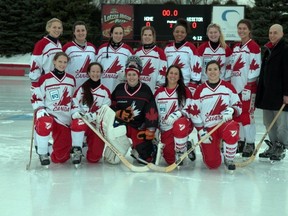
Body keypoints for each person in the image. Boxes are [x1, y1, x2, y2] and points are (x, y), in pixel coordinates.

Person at [184, 60, 242, 170]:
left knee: (232, 129)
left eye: (215, 69)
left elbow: (238, 105)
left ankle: (229, 158)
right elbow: (194, 112)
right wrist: (201, 131)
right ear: (205, 72)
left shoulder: (228, 87)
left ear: (220, 71)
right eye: (209, 69)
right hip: (208, 129)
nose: (212, 72)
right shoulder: (200, 90)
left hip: (223, 124)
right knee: (213, 164)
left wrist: (232, 110)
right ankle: (214, 148)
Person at [104, 55, 158, 164]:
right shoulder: (119, 89)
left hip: (138, 127)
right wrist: (119, 113)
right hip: (121, 126)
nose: (131, 77)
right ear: (125, 75)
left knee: (147, 158)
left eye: (134, 74)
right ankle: (117, 148)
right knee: (113, 159)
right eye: (129, 74)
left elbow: (151, 111)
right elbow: (111, 105)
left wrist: (150, 130)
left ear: (139, 75)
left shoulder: (145, 90)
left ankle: (146, 147)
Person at [31, 52, 76, 166]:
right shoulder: (45, 79)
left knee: (61, 158)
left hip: (64, 119)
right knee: (44, 122)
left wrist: (76, 111)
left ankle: (49, 147)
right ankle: (42, 151)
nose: (62, 64)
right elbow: (37, 96)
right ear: (54, 62)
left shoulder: (71, 80)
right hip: (49, 115)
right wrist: (40, 109)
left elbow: (75, 99)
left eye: (65, 62)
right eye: (60, 61)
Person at [255, 24, 288, 161]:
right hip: (267, 94)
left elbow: (287, 73)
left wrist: (287, 93)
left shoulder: (285, 49)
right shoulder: (268, 49)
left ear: (281, 34)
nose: (272, 35)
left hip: (280, 95)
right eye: (270, 32)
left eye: (275, 33)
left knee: (282, 124)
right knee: (268, 122)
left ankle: (281, 146)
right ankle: (273, 145)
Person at [230, 19, 261, 157]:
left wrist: (249, 85)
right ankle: (241, 141)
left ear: (249, 30)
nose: (241, 31)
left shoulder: (253, 46)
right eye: (239, 28)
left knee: (247, 115)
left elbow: (256, 66)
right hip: (236, 88)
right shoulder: (236, 47)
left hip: (248, 88)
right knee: (237, 115)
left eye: (244, 28)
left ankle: (250, 143)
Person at [69, 62, 111, 165]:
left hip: (95, 126)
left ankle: (85, 146)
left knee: (94, 158)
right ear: (88, 73)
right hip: (83, 123)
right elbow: (74, 103)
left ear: (101, 73)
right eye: (93, 71)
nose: (95, 74)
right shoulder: (81, 89)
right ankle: (77, 150)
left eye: (98, 72)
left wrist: (94, 116)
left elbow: (106, 109)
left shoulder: (105, 91)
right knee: (77, 123)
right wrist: (76, 113)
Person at [154, 65, 195, 165]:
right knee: (170, 160)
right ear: (167, 75)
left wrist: (179, 114)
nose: (173, 75)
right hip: (166, 128)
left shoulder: (185, 91)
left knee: (180, 125)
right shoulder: (159, 92)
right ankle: (187, 145)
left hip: (182, 125)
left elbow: (191, 108)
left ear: (179, 77)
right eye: (171, 73)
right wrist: (156, 129)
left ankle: (181, 148)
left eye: (176, 74)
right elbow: (154, 111)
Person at [164, 18, 202, 96]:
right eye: (177, 32)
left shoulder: (191, 48)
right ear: (173, 32)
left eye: (182, 32)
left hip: (186, 86)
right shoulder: (167, 48)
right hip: (170, 85)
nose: (179, 34)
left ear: (186, 34)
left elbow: (197, 67)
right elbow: (163, 68)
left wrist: (193, 84)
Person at [96, 24, 133, 93]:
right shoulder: (102, 49)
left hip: (121, 88)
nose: (118, 36)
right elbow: (95, 68)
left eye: (120, 33)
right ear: (111, 34)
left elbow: (132, 69)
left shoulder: (128, 50)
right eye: (116, 33)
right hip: (103, 88)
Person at [63, 21, 97, 89]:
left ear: (86, 31)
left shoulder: (92, 48)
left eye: (83, 30)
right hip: (72, 86)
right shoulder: (67, 48)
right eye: (78, 31)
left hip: (89, 86)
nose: (81, 33)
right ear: (74, 32)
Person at [134, 26, 167, 93]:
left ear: (153, 37)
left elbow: (163, 72)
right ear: (142, 36)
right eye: (145, 35)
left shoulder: (160, 52)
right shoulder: (136, 53)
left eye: (150, 35)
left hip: (154, 90)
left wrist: (158, 87)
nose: (147, 37)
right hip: (138, 90)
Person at [29, 18, 63, 83]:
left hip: (56, 79)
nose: (57, 30)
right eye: (54, 27)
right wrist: (36, 80)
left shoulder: (59, 44)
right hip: (45, 80)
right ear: (48, 28)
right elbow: (35, 62)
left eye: (59, 28)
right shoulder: (41, 44)